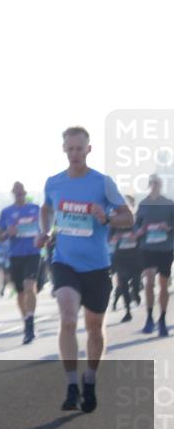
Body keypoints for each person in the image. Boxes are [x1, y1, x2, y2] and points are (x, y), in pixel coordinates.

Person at [38, 126, 132, 413]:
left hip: (97, 266)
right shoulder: (54, 183)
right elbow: (45, 209)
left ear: (88, 150)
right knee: (67, 315)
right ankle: (70, 385)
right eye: (70, 149)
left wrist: (105, 218)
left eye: (80, 148)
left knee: (94, 328)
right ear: (64, 149)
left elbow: (128, 217)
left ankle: (89, 380)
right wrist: (46, 231)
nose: (75, 153)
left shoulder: (103, 183)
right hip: (64, 262)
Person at [0, 181, 42, 344]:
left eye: (22, 193)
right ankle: (26, 320)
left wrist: (45, 236)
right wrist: (7, 234)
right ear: (13, 194)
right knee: (21, 292)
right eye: (16, 193)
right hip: (15, 255)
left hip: (33, 253)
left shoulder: (35, 209)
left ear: (25, 193)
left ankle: (30, 324)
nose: (19, 196)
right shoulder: (6, 212)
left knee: (30, 287)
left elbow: (47, 227)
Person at [136, 174, 174, 336]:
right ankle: (149, 317)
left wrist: (169, 226)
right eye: (152, 183)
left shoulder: (169, 204)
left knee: (163, 285)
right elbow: (136, 225)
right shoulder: (143, 204)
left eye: (157, 183)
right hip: (148, 248)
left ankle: (162, 319)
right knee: (149, 282)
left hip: (165, 249)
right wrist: (139, 231)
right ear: (149, 185)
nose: (154, 185)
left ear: (161, 185)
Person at [109, 194, 140, 323]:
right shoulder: (114, 223)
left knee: (136, 281)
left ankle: (136, 292)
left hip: (135, 255)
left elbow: (142, 234)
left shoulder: (136, 221)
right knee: (123, 284)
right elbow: (109, 239)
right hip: (120, 257)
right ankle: (127, 311)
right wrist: (114, 239)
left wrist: (136, 235)